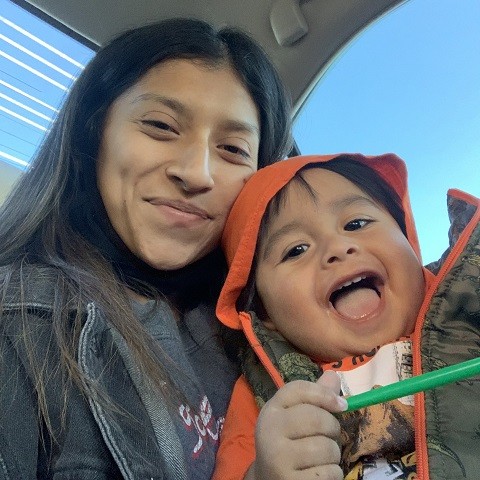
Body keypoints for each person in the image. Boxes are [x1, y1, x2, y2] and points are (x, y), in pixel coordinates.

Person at [0, 18, 292, 480]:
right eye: (160, 125)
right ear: (94, 133)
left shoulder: (264, 333)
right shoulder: (19, 319)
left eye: (234, 149)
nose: (197, 173)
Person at [212, 153, 480, 480]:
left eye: (356, 223)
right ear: (264, 313)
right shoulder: (267, 399)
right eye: (295, 249)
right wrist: (264, 474)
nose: (337, 247)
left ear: (409, 243)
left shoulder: (469, 315)